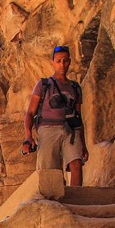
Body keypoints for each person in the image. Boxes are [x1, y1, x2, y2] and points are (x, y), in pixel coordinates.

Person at [23, 45, 89, 186]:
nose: (62, 64)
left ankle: (75, 201)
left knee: (76, 164)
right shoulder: (44, 84)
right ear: (52, 62)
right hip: (48, 129)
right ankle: (56, 203)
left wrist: (83, 144)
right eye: (58, 61)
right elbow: (30, 113)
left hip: (71, 130)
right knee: (50, 171)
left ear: (69, 61)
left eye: (65, 61)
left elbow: (78, 116)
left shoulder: (75, 88)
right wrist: (28, 136)